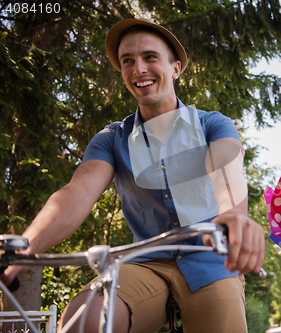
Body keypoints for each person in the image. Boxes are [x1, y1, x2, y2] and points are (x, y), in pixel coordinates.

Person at [1, 18, 264, 333]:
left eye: (150, 57)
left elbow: (226, 169)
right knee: (84, 320)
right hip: (143, 265)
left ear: (176, 68)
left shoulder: (212, 124)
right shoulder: (111, 139)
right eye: (128, 61)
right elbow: (77, 193)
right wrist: (22, 249)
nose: (138, 68)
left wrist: (234, 216)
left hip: (213, 262)